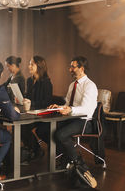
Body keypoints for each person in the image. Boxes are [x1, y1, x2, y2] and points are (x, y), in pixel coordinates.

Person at [47, 56, 98, 188]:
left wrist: (69, 109)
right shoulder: (72, 85)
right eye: (70, 67)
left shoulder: (90, 86)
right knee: (45, 129)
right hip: (72, 118)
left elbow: (86, 109)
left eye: (73, 67)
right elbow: (68, 103)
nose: (70, 70)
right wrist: (59, 107)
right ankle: (67, 158)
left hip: (84, 121)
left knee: (61, 135)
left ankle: (80, 165)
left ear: (82, 68)